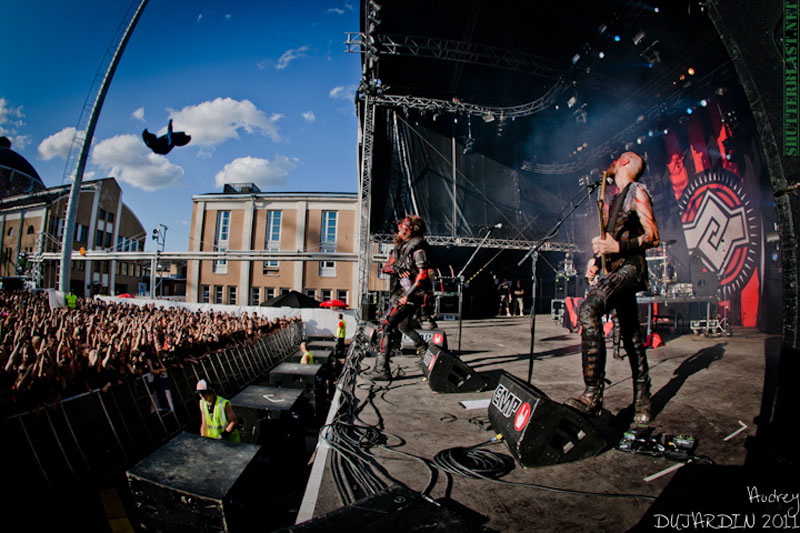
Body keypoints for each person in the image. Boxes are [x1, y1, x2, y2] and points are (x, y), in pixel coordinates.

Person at [565, 151, 660, 425]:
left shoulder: (636, 191)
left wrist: (619, 247)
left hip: (630, 268)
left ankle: (592, 395)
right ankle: (643, 403)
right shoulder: (614, 198)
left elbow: (653, 236)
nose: (613, 161)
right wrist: (596, 259)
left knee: (588, 310)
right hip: (614, 268)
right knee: (631, 337)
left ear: (626, 161)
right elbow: (612, 239)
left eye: (618, 157)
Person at [370, 215, 433, 380]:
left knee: (384, 325)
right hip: (401, 293)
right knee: (403, 326)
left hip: (412, 294)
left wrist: (407, 295)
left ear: (410, 229)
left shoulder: (418, 247)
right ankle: (424, 350)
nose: (398, 230)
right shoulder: (399, 248)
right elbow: (385, 267)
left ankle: (381, 369)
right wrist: (396, 267)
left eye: (401, 227)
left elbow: (423, 275)